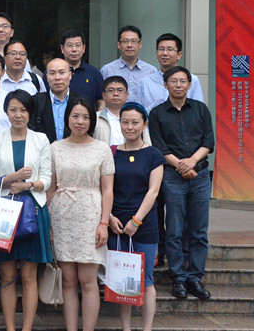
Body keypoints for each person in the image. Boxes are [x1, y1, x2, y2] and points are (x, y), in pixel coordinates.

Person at [0, 89, 52, 331]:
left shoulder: (41, 139)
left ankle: (27, 328)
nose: (18, 114)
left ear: (30, 113)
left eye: (23, 110)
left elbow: (47, 179)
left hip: (33, 209)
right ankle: (10, 328)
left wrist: (28, 185)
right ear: (6, 112)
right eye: (13, 110)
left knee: (29, 276)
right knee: (7, 274)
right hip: (5, 211)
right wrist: (15, 176)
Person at [47, 95, 114, 331]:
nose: (80, 121)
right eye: (75, 116)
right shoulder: (55, 148)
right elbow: (50, 188)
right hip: (62, 215)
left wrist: (104, 223)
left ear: (91, 121)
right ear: (67, 118)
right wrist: (49, 224)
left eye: (85, 117)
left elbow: (108, 190)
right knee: (67, 280)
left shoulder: (102, 149)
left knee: (88, 280)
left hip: (91, 215)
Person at [148, 66, 214, 301]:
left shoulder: (201, 109)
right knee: (174, 230)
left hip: (200, 176)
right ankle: (178, 278)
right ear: (165, 85)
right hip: (172, 176)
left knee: (199, 230)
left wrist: (192, 162)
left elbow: (208, 141)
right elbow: (160, 147)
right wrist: (181, 166)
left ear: (189, 84)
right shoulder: (156, 113)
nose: (178, 85)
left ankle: (195, 277)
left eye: (183, 81)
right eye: (173, 81)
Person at [107, 102, 164, 331]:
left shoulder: (154, 154)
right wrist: (109, 217)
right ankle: (126, 328)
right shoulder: (111, 152)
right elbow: (105, 189)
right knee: (122, 279)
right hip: (117, 226)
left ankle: (147, 328)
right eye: (125, 122)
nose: (129, 127)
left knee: (146, 280)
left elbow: (154, 191)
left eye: (135, 122)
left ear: (144, 125)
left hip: (145, 225)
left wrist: (136, 220)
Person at [138, 33, 204, 113]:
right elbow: (139, 113)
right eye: (161, 49)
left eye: (170, 49)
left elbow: (199, 110)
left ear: (179, 54)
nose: (165, 53)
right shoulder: (145, 82)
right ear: (156, 53)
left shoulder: (192, 80)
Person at [100, 25, 157, 104]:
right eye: (125, 41)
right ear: (119, 45)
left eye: (133, 41)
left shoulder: (151, 71)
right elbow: (102, 99)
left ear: (140, 44)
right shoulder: (107, 70)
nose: (129, 45)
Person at [49, 30, 104, 109]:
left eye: (78, 45)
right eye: (70, 45)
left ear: (83, 48)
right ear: (62, 48)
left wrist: (99, 115)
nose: (74, 49)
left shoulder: (94, 73)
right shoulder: (52, 73)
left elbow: (101, 101)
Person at [94, 76, 151, 147]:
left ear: (127, 95)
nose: (115, 94)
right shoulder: (95, 118)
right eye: (111, 90)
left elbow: (147, 145)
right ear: (103, 95)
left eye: (120, 90)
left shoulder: (137, 117)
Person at [31, 58, 72, 143]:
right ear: (47, 77)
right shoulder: (35, 102)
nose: (57, 78)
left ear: (70, 75)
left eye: (62, 72)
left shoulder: (80, 102)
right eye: (52, 73)